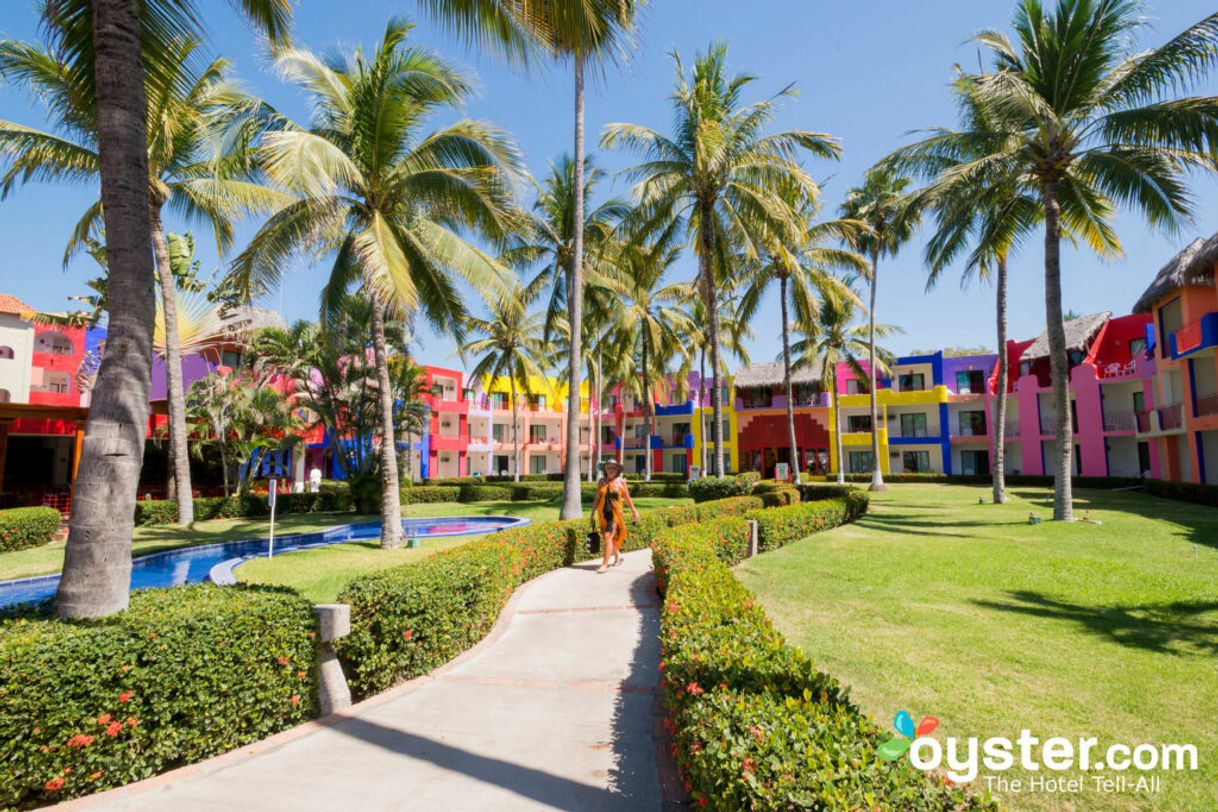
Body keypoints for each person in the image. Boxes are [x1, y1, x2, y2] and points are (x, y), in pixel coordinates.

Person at [591, 458, 640, 574]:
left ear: (617, 470)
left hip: (615, 514)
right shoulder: (601, 482)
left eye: (613, 468)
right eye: (609, 468)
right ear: (605, 469)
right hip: (603, 514)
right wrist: (593, 512)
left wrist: (634, 511)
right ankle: (618, 556)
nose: (611, 470)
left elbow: (627, 498)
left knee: (607, 536)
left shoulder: (621, 482)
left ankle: (604, 565)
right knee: (610, 538)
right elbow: (598, 498)